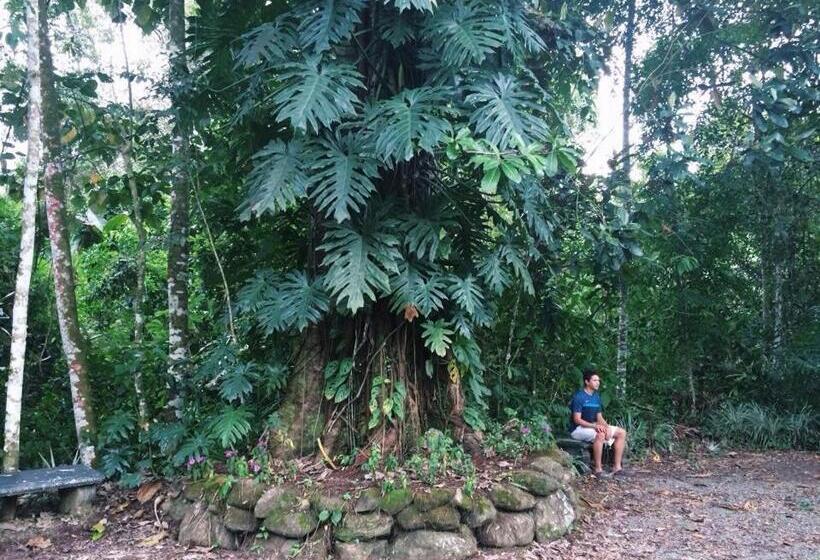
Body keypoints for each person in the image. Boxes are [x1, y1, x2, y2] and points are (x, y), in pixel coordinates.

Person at [568, 369, 628, 477]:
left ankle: (617, 467)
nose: (598, 383)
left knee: (621, 433)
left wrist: (607, 427)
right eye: (595, 380)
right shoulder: (579, 397)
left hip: (593, 426)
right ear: (587, 382)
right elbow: (577, 419)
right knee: (600, 435)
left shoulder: (596, 397)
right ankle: (598, 469)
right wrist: (595, 426)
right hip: (578, 429)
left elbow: (599, 416)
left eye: (598, 380)